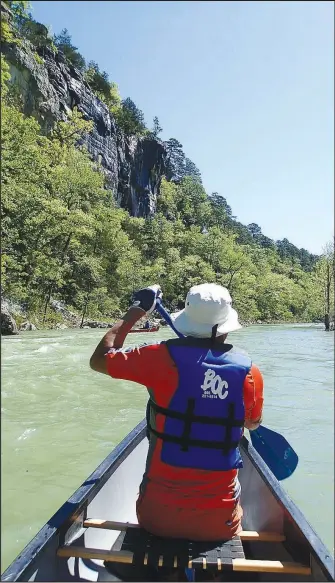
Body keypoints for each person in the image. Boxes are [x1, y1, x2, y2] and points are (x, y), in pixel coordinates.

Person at [90, 283, 263, 542]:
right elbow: (251, 423)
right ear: (227, 325)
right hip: (219, 523)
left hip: (156, 518)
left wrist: (136, 311)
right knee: (236, 494)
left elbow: (100, 359)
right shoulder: (250, 372)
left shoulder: (157, 357)